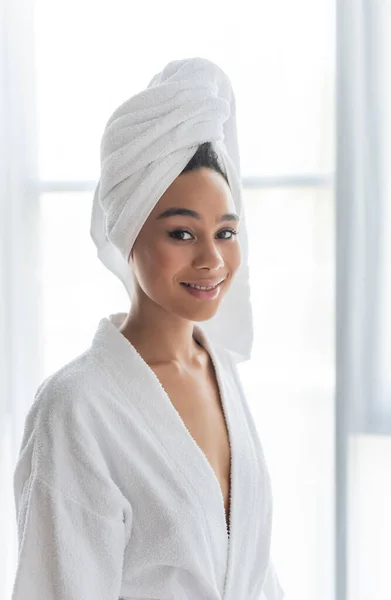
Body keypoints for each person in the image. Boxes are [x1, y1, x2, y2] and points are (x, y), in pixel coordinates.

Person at [12, 58, 284, 599]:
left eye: (225, 233)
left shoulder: (219, 369)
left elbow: (257, 575)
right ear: (129, 232)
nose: (212, 259)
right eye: (182, 233)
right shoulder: (77, 408)